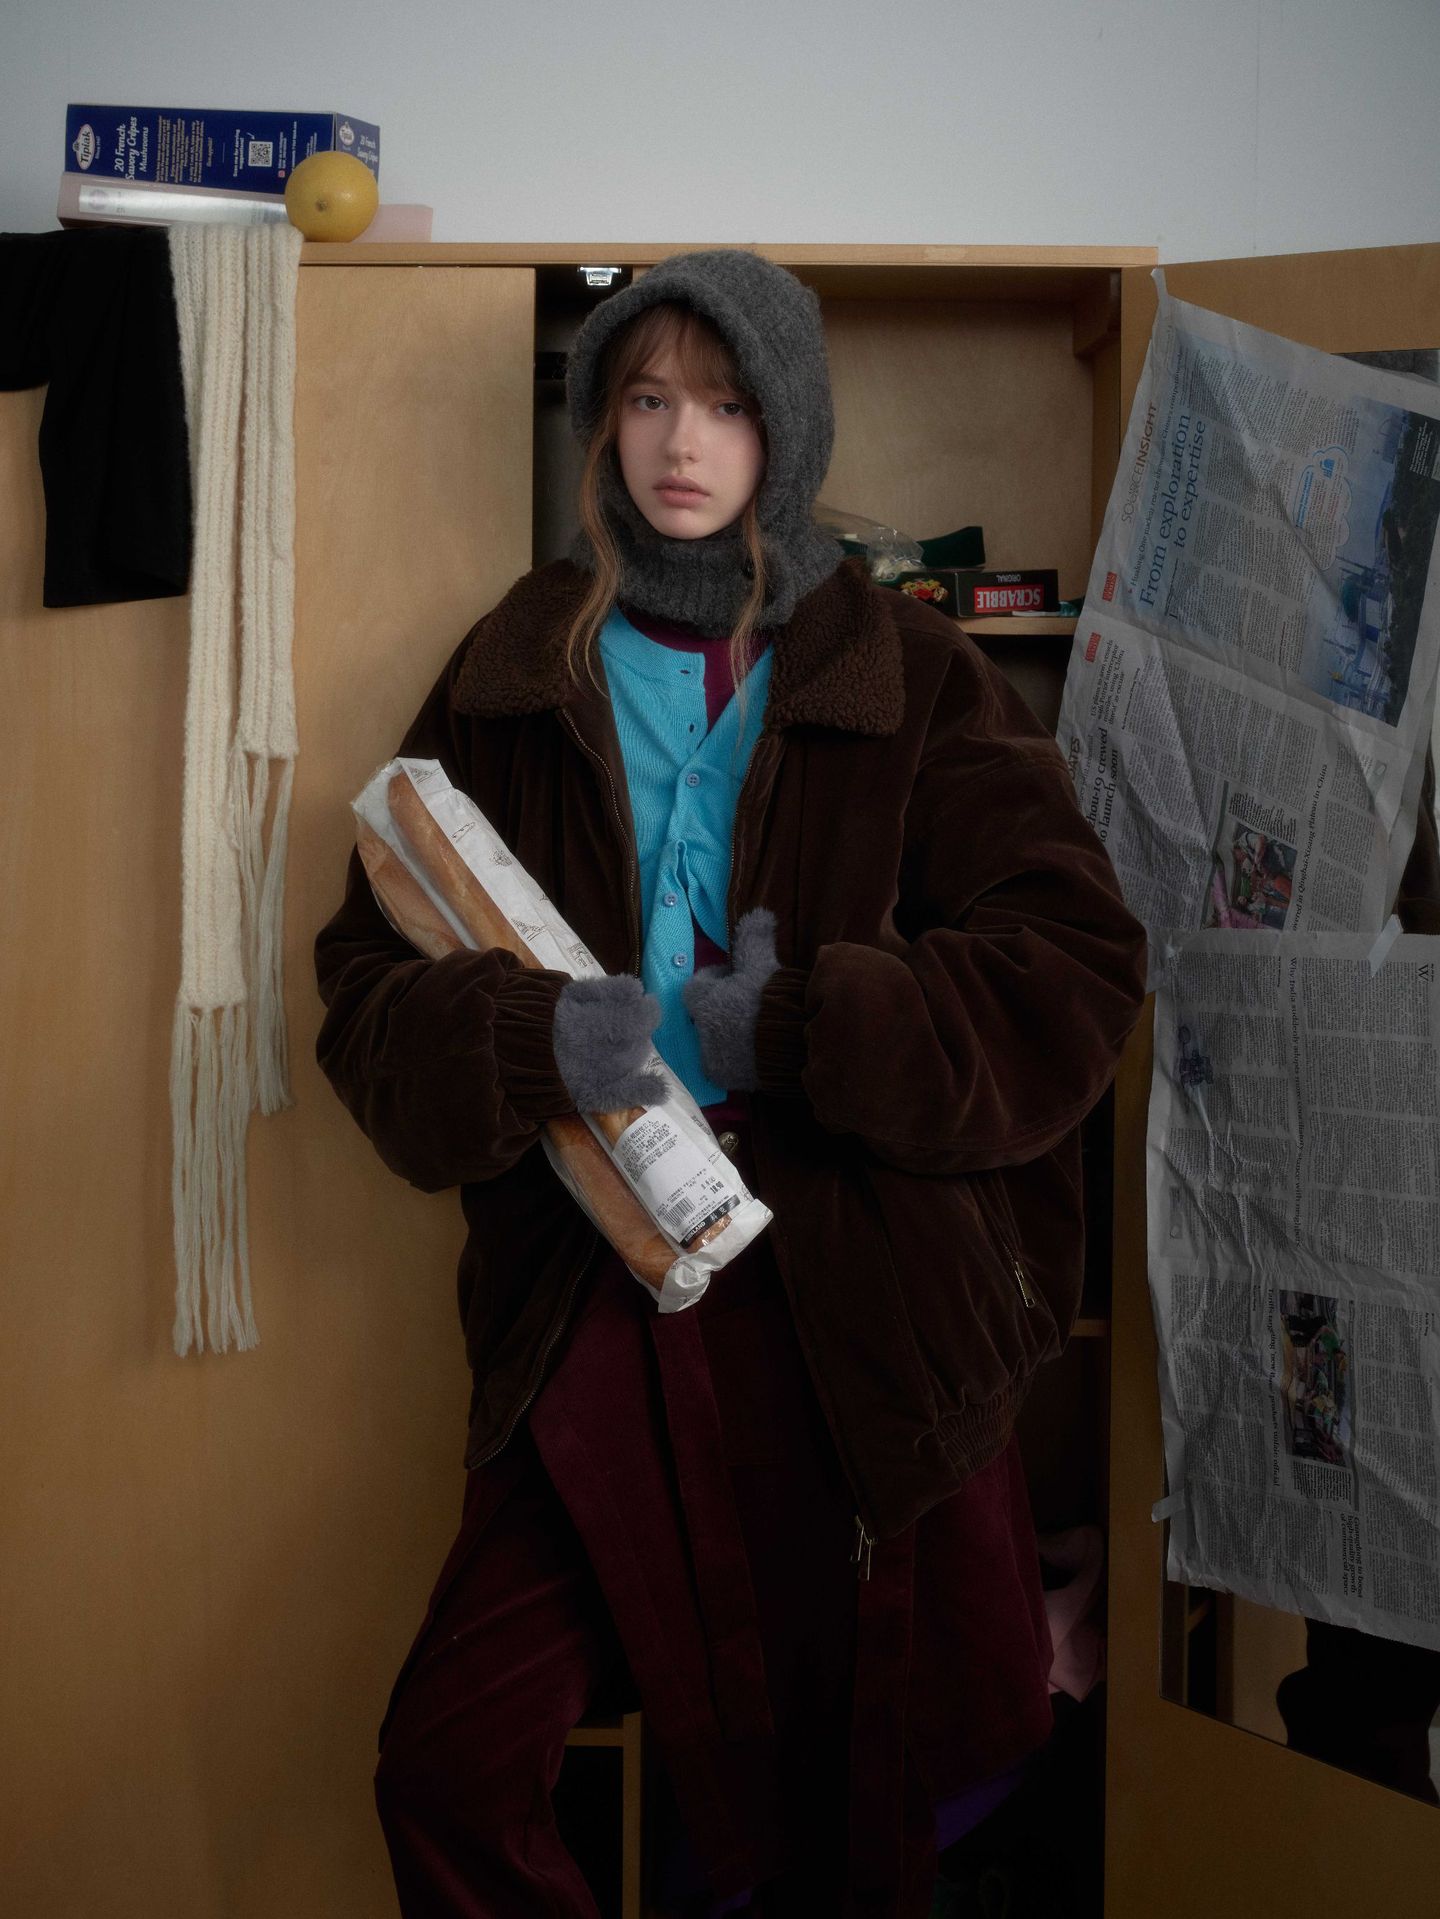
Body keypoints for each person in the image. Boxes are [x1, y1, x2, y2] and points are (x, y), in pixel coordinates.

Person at [313, 248, 1148, 1918]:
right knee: (448, 1768)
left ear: (789, 430)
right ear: (603, 424)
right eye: (645, 399)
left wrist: (818, 1030)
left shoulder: (906, 672)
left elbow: (1073, 965)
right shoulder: (512, 670)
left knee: (847, 1802)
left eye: (724, 404)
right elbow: (362, 998)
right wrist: (524, 1043)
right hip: (595, 1285)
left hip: (856, 1305)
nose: (680, 442)